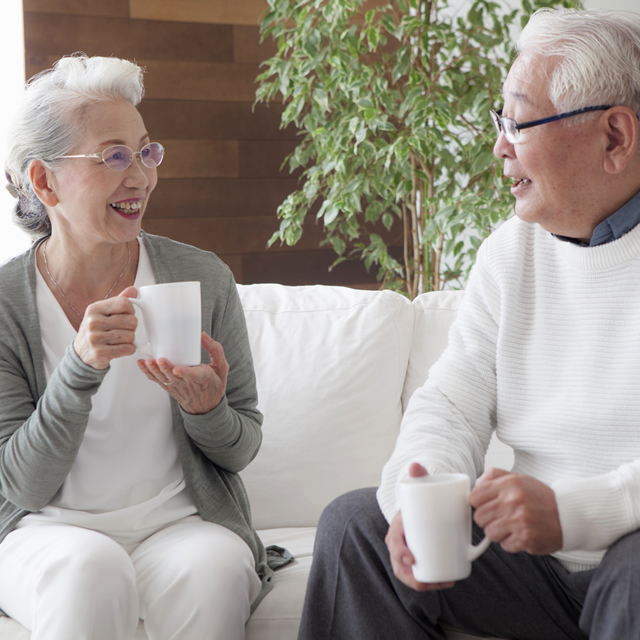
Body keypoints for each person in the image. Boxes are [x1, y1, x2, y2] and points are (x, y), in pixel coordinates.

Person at [297, 8, 640, 640]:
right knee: (355, 527)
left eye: (519, 121)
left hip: (629, 556)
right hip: (533, 565)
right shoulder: (511, 251)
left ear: (614, 138)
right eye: (499, 120)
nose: (499, 145)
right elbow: (452, 401)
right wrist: (415, 499)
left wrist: (571, 513)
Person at [0, 54, 282, 640]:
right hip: (46, 530)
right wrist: (79, 368)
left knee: (215, 571)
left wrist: (208, 409)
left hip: (180, 523)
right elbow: (21, 485)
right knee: (88, 571)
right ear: (44, 181)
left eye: (146, 151)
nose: (141, 177)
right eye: (113, 156)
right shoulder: (6, 304)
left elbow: (241, 447)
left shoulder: (201, 277)